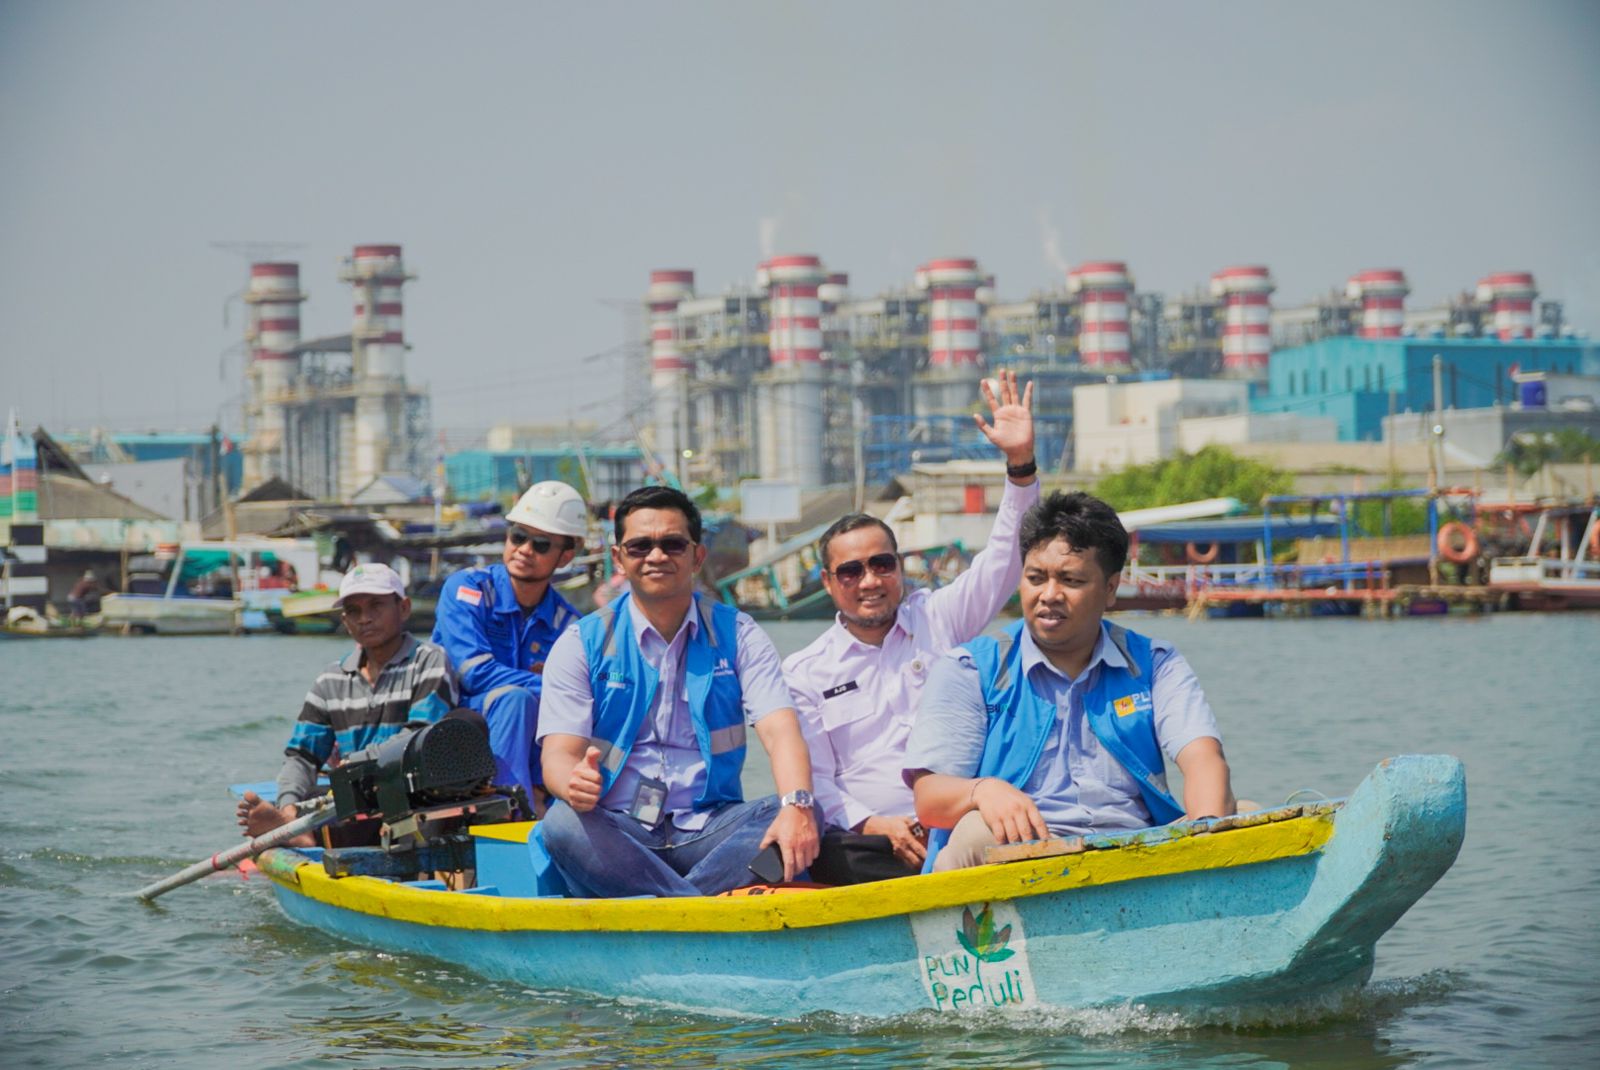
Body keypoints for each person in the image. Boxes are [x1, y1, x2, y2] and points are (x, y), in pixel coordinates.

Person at [782, 369, 1040, 883]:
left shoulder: (939, 617)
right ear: (829, 582)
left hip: (961, 818)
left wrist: (1020, 466)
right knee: (822, 849)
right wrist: (877, 823)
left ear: (900, 566)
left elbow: (1004, 561)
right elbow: (818, 780)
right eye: (852, 571)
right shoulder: (803, 671)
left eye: (883, 564)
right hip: (869, 838)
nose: (870, 581)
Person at [905, 491, 1238, 872]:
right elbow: (929, 800)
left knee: (1243, 816)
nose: (1048, 595)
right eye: (1035, 578)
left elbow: (1203, 760)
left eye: (1070, 580)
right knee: (974, 830)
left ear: (1110, 588)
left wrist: (1208, 833)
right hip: (1015, 852)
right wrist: (983, 791)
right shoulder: (971, 669)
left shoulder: (1153, 664)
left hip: (1137, 849)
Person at [533, 485, 820, 898]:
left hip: (712, 828)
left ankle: (667, 906)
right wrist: (572, 784)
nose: (656, 556)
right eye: (640, 546)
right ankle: (702, 907)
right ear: (618, 558)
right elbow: (558, 756)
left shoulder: (737, 634)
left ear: (696, 556)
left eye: (672, 544)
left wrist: (797, 804)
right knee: (561, 824)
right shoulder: (582, 642)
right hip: (622, 832)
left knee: (803, 809)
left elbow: (781, 731)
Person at [236, 563, 459, 845]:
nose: (364, 618)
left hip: (411, 790)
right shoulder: (331, 678)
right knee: (308, 793)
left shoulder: (428, 660)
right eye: (354, 611)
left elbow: (419, 738)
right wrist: (289, 803)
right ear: (345, 621)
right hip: (355, 792)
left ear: (403, 608)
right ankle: (293, 828)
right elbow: (302, 755)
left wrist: (354, 764)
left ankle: (304, 836)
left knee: (385, 799)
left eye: (376, 606)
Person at [432, 481, 587, 807]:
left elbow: (572, 704)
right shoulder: (467, 591)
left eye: (542, 544)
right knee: (518, 701)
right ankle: (510, 813)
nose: (525, 549)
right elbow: (473, 674)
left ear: (565, 556)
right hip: (455, 732)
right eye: (518, 536)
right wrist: (554, 686)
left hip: (532, 747)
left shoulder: (569, 625)